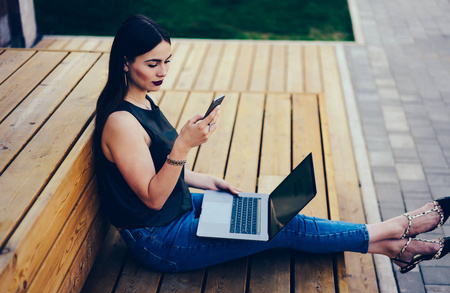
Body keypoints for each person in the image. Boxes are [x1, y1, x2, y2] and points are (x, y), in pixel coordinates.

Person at [94, 14, 450, 274]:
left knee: (271, 211)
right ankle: (393, 230)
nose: (163, 72)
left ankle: (390, 248)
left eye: (167, 61)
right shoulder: (121, 123)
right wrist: (183, 147)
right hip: (159, 240)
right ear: (126, 62)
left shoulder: (142, 100)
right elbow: (152, 195)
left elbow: (154, 167)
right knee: (277, 225)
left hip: (178, 208)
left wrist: (204, 180)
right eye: (152, 63)